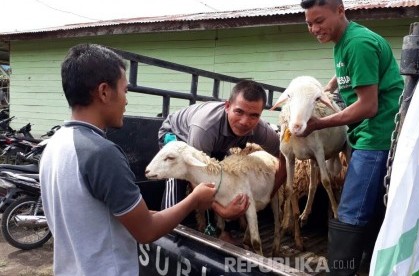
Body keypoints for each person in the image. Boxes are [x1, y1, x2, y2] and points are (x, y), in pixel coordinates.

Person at [39, 43, 216, 276]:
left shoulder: (55, 143)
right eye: (125, 91)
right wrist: (194, 199)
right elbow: (146, 231)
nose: (126, 100)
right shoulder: (102, 153)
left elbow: (113, 215)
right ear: (104, 92)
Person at [299, 0, 404, 275]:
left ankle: (340, 271)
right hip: (368, 135)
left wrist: (319, 123)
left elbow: (368, 106)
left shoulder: (358, 43)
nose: (314, 28)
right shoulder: (344, 42)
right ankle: (367, 267)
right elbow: (353, 73)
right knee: (371, 210)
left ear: (340, 11)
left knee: (350, 213)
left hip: (376, 137)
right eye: (309, 23)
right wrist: (332, 83)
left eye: (319, 20)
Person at [158, 80, 286, 242]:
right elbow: (196, 175)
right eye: (239, 112)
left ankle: (219, 230)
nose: (245, 121)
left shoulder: (261, 130)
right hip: (178, 136)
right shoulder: (204, 128)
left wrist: (269, 194)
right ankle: (167, 233)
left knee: (223, 177)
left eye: (254, 115)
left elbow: (285, 157)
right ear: (227, 106)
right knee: (177, 177)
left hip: (219, 143)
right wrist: (222, 211)